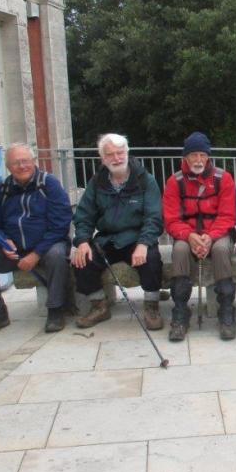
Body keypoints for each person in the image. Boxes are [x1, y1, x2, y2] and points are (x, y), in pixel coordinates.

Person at [0, 143, 72, 335]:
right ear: (8, 167)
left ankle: (56, 309)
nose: (21, 166)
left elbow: (61, 224)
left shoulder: (49, 184)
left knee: (57, 255)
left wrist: (36, 254)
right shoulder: (1, 190)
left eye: (25, 161)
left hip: (47, 244)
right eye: (16, 163)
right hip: (13, 249)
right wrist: (2, 241)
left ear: (34, 162)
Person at [72, 133, 164, 330]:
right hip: (107, 240)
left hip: (137, 238)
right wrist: (82, 241)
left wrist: (144, 243)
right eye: (110, 154)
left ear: (127, 153)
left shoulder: (145, 180)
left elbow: (154, 217)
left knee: (152, 259)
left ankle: (151, 306)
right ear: (103, 159)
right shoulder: (97, 182)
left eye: (120, 153)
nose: (116, 158)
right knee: (81, 260)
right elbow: (84, 215)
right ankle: (99, 305)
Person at [163, 132, 236, 341]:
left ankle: (226, 310)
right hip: (187, 234)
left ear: (208, 157)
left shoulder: (223, 178)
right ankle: (180, 311)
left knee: (221, 249)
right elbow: (170, 218)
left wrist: (210, 237)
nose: (198, 160)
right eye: (193, 155)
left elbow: (228, 215)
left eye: (202, 155)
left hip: (217, 232)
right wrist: (189, 236)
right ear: (185, 157)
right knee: (179, 250)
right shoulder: (175, 181)